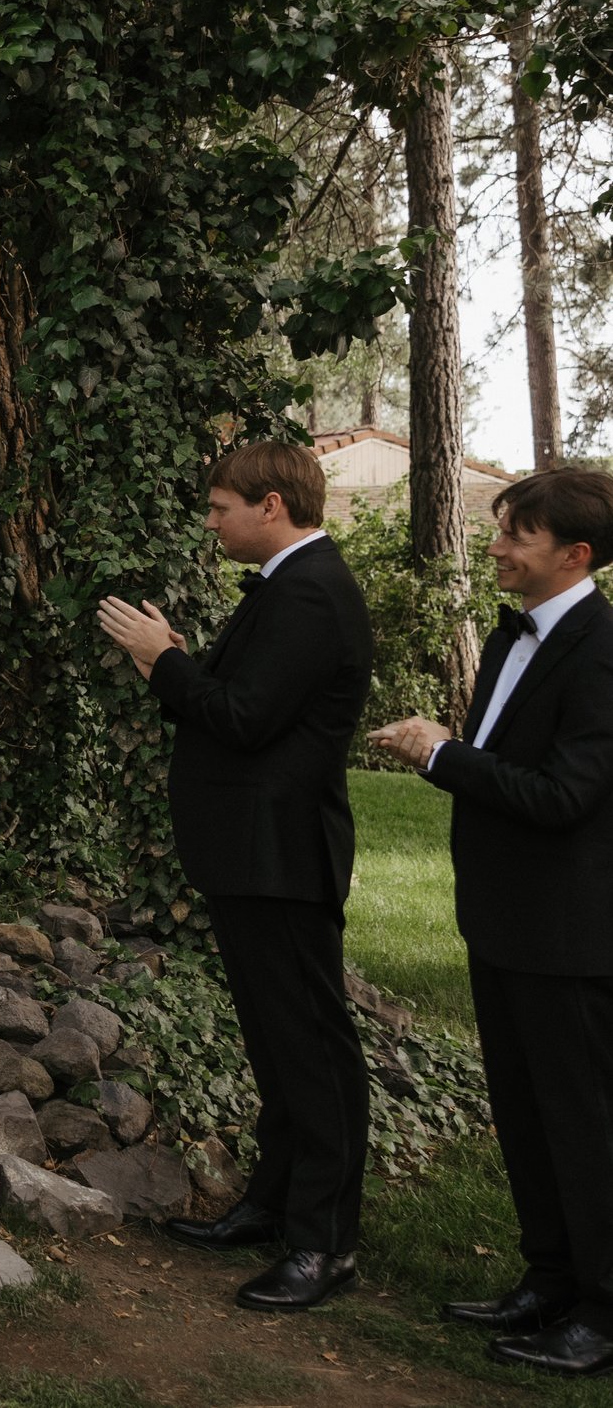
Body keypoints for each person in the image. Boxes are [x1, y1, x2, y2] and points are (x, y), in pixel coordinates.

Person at [97, 441, 373, 1312]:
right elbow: (239, 703)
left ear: (271, 506)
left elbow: (244, 721)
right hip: (253, 855)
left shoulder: (313, 593)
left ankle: (325, 1243)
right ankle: (273, 1203)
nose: (210, 522)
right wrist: (172, 661)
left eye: (220, 508)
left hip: (283, 855)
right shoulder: (289, 587)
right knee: (276, 1043)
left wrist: (165, 659)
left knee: (313, 1051)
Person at [370, 467, 613, 1378]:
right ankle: (549, 1276)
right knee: (524, 1109)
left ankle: (603, 1307)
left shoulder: (599, 648)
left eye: (516, 534)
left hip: (571, 930)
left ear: (574, 555)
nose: (499, 546)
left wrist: (443, 755)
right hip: (505, 920)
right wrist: (454, 754)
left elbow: (564, 796)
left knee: (584, 1121)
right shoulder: (523, 636)